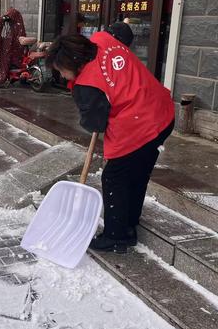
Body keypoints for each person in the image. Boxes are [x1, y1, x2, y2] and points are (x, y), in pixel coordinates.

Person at [46, 30, 175, 253]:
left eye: (62, 71)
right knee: (137, 172)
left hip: (139, 124)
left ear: (73, 64)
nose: (63, 76)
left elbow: (95, 124)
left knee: (115, 176)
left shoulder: (86, 85)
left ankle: (116, 237)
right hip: (162, 112)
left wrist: (89, 105)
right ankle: (129, 224)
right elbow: (123, 31)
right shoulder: (102, 38)